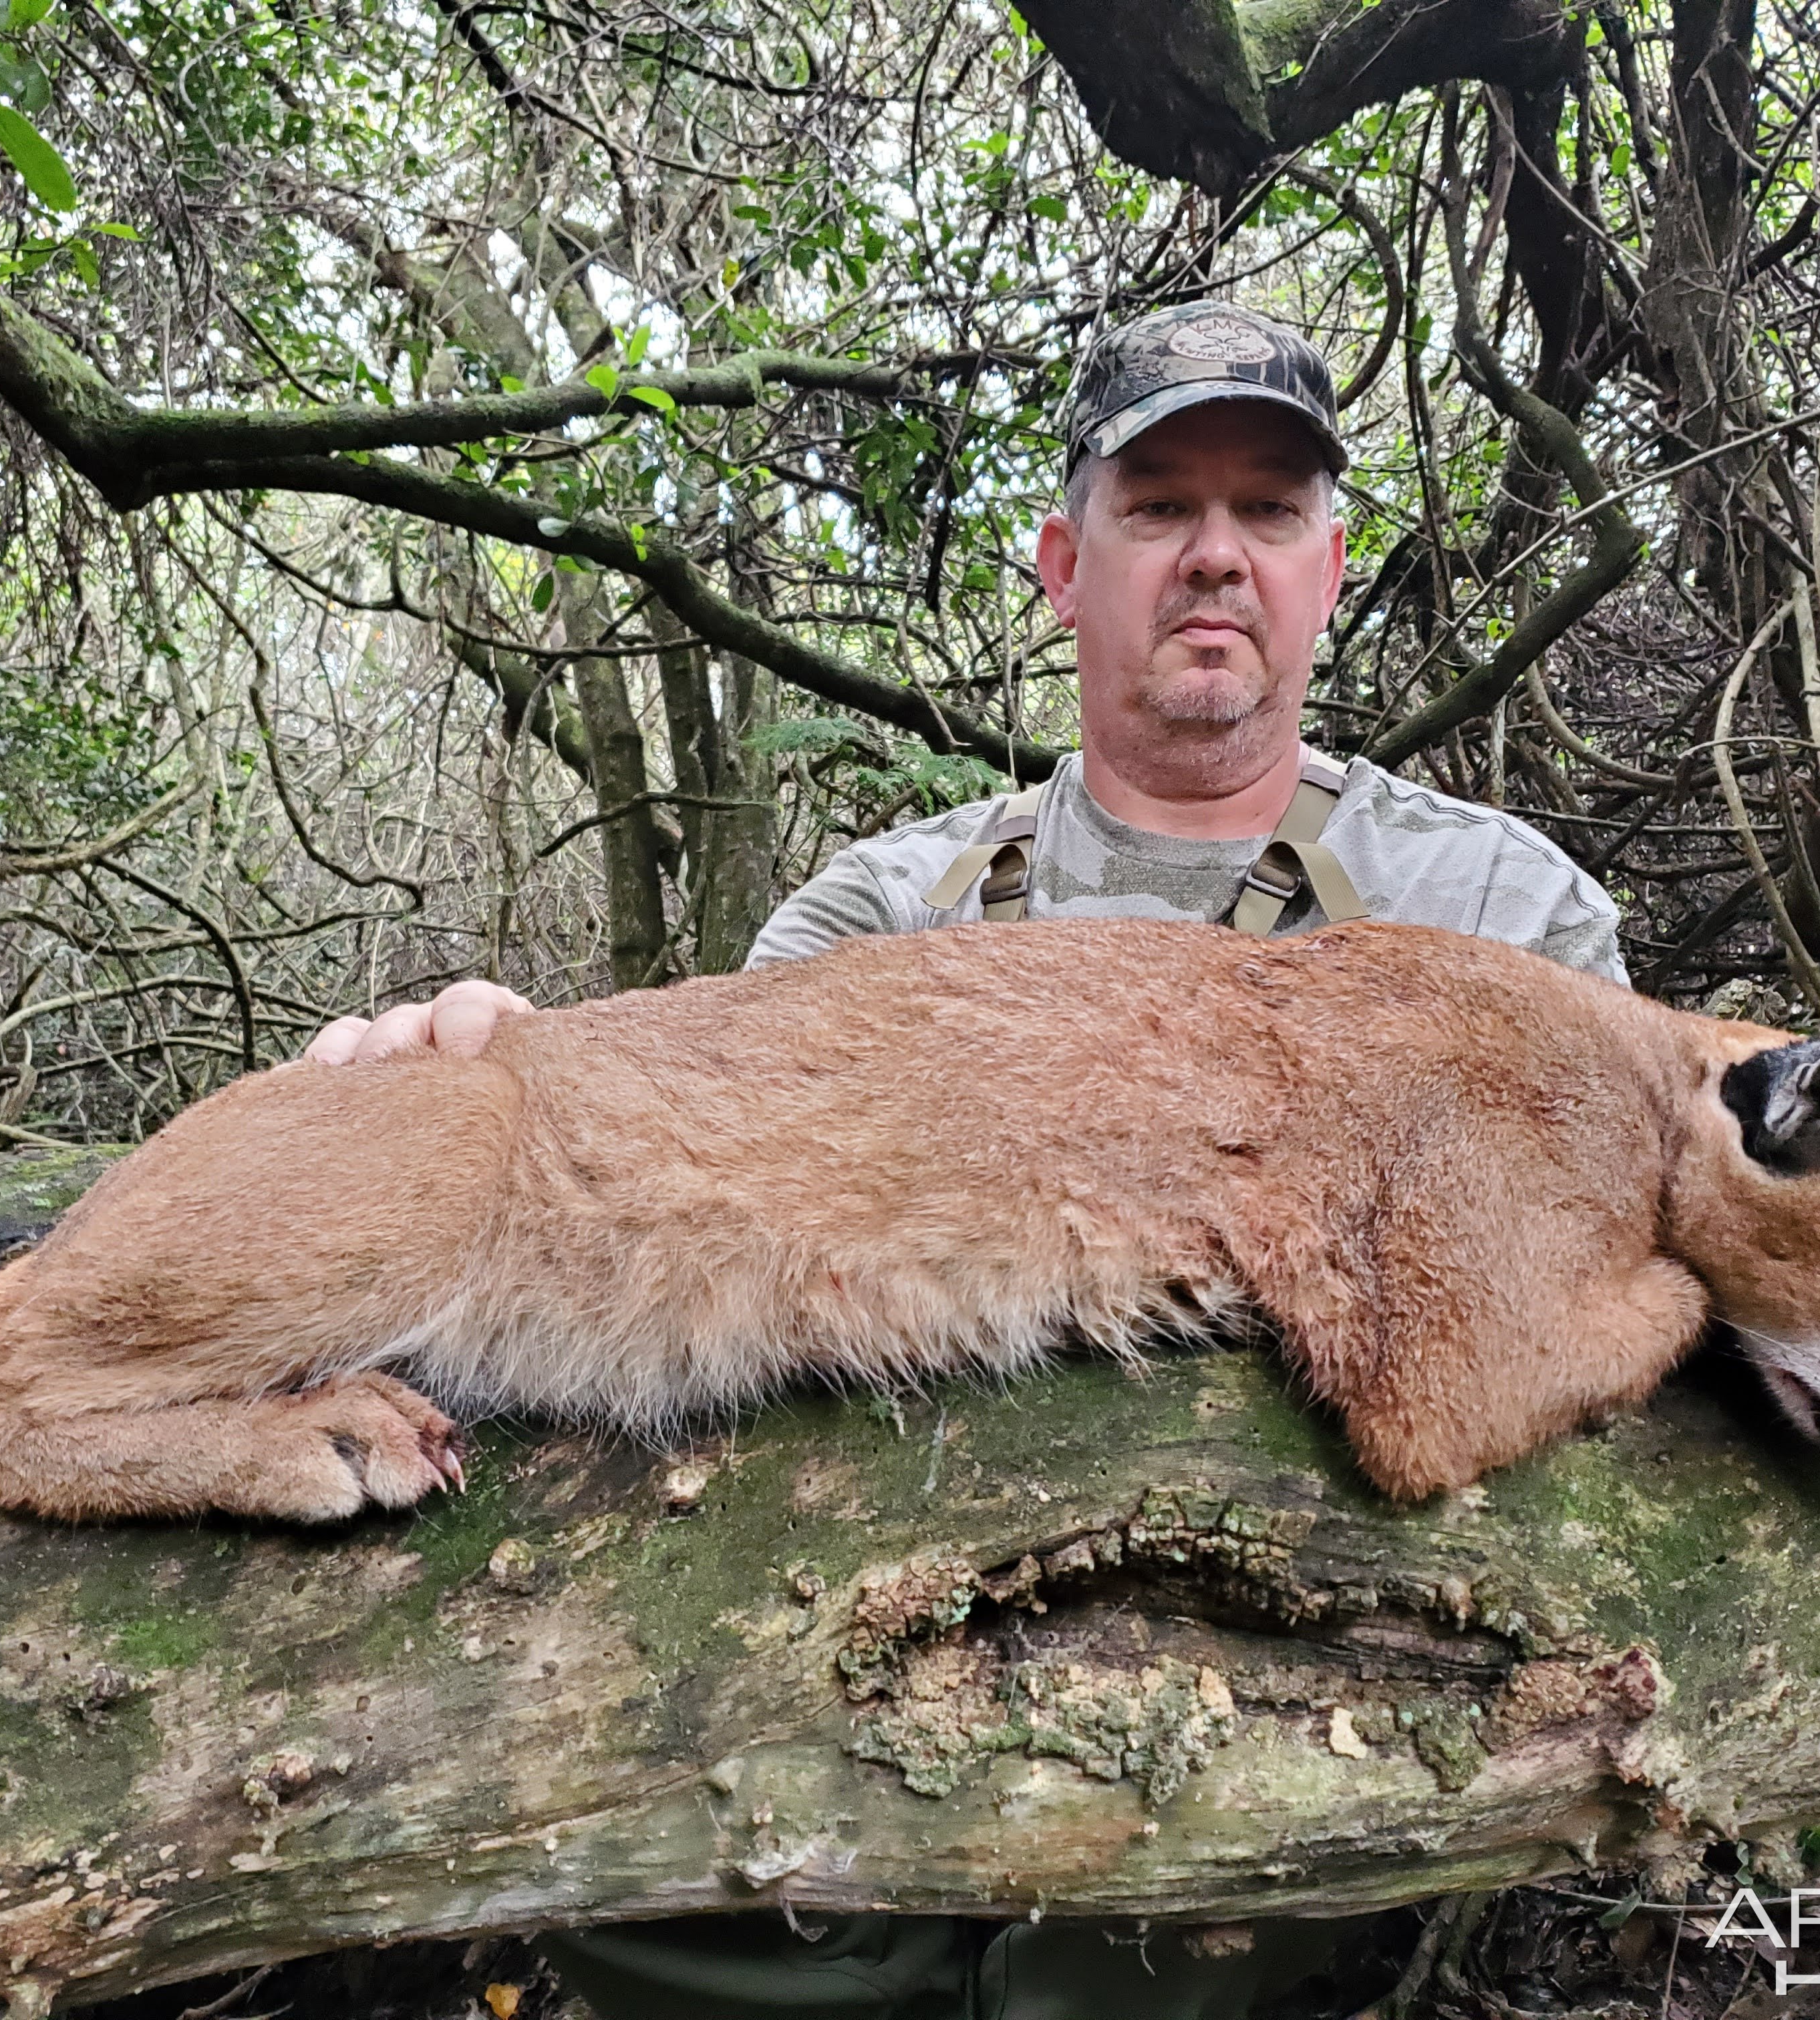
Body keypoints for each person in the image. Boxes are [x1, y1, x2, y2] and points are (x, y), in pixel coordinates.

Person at [301, 302, 1624, 2018]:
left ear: (1331, 570)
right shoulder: (877, 914)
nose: (1215, 556)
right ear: (1069, 566)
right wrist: (458, 1089)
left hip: (1271, 1748)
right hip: (853, 1680)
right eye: (1158, 508)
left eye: (1269, 512)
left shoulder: (1508, 920)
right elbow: (672, 1193)